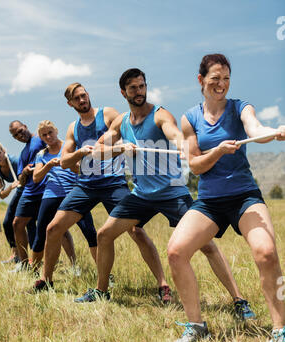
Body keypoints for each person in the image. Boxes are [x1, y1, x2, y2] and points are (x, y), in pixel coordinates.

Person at [79, 67, 255, 315]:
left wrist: (186, 147)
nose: (139, 92)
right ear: (123, 92)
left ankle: (238, 300)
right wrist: (119, 148)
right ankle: (101, 291)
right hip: (141, 196)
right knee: (105, 234)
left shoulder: (160, 115)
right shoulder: (121, 122)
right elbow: (97, 151)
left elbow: (176, 135)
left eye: (142, 86)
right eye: (133, 88)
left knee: (205, 244)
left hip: (172, 192)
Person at [167, 53, 285, 342]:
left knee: (266, 253)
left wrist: (272, 133)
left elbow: (255, 129)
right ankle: (196, 325)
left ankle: (280, 331)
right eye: (215, 78)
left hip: (244, 196)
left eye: (226, 78)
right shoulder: (189, 117)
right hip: (209, 200)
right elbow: (194, 166)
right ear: (201, 80)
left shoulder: (239, 107)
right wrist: (218, 151)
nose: (221, 84)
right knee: (176, 252)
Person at [32, 82, 172, 302]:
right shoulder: (73, 128)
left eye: (84, 95)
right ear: (70, 103)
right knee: (53, 228)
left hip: (113, 183)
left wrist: (115, 150)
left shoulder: (107, 114)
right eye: (77, 98)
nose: (82, 100)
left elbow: (126, 135)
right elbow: (66, 161)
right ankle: (46, 280)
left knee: (135, 230)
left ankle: (163, 285)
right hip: (85, 185)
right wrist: (79, 152)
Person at [31, 120, 97, 273]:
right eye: (44, 135)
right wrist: (48, 165)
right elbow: (36, 178)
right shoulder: (41, 155)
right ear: (41, 137)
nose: (48, 136)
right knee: (41, 232)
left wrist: (67, 163)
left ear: (56, 131)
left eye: (50, 132)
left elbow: (82, 170)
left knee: (89, 231)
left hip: (74, 192)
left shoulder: (70, 148)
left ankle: (101, 271)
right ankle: (35, 272)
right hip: (51, 194)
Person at [0, 141, 36, 263]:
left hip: (31, 189)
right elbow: (1, 195)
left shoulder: (15, 161)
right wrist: (10, 187)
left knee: (29, 223)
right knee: (7, 222)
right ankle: (16, 255)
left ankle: (34, 257)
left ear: (4, 151)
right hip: (19, 190)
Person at [9, 120, 46, 270]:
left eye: (20, 130)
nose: (20, 134)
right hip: (30, 192)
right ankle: (24, 264)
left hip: (47, 188)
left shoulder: (41, 138)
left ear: (25, 126)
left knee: (55, 227)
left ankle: (73, 264)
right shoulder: (23, 153)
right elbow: (21, 181)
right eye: (16, 134)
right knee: (17, 224)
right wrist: (24, 172)